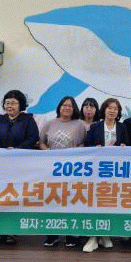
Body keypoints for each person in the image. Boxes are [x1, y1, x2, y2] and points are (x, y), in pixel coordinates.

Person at [0, 89, 39, 245]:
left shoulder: (28, 120)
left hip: (20, 165)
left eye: (13, 103)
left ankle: (12, 231)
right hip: (0, 165)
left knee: (15, 197)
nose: (9, 106)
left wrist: (17, 150)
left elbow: (33, 138)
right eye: (7, 103)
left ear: (21, 105)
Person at [39, 96, 87, 248]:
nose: (67, 108)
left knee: (72, 200)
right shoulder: (49, 123)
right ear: (59, 107)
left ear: (74, 109)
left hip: (73, 169)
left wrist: (74, 153)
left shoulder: (80, 124)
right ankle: (52, 235)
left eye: (70, 106)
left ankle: (70, 234)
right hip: (52, 169)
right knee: (53, 199)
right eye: (64, 105)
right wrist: (47, 151)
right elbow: (41, 142)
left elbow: (85, 144)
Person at [83, 97, 128, 252]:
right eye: (109, 108)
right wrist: (94, 148)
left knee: (109, 202)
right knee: (95, 201)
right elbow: (87, 146)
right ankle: (93, 237)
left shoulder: (122, 127)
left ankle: (104, 234)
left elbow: (128, 145)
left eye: (115, 109)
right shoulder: (95, 127)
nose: (112, 111)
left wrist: (124, 146)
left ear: (118, 112)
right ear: (104, 110)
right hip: (97, 171)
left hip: (115, 172)